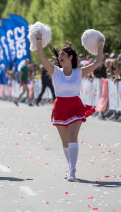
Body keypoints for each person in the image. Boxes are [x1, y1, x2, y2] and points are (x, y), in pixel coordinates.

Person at [35, 31, 104, 182]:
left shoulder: (79, 72)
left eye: (63, 55)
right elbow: (41, 57)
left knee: (72, 137)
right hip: (60, 107)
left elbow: (98, 62)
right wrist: (39, 39)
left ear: (70, 57)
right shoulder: (55, 72)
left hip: (75, 106)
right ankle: (70, 167)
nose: (60, 57)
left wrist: (100, 44)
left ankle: (72, 170)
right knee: (65, 142)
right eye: (59, 54)